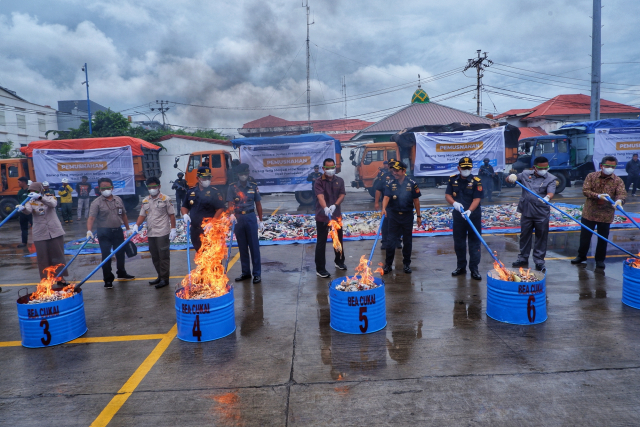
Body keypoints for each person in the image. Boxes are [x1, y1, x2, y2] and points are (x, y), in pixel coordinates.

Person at [572, 155, 626, 269]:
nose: (610, 168)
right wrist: (598, 196)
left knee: (603, 238)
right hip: (590, 212)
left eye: (612, 166)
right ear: (601, 166)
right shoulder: (591, 176)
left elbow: (621, 193)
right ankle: (581, 256)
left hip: (606, 214)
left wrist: (620, 201)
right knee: (585, 237)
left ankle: (600, 260)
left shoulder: (618, 180)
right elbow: (586, 190)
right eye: (607, 165)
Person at [507, 156, 557, 272]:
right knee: (524, 236)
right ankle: (523, 258)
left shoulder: (551, 178)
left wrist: (547, 198)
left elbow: (551, 192)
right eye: (541, 168)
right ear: (535, 167)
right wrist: (511, 177)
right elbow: (510, 180)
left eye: (546, 167)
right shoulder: (525, 174)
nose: (544, 170)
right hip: (527, 211)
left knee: (541, 237)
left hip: (541, 213)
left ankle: (539, 261)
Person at [87, 178, 135, 289]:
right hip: (104, 233)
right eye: (103, 188)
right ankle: (108, 280)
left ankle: (122, 273)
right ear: (99, 189)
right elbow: (91, 218)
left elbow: (123, 215)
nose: (106, 190)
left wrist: (128, 229)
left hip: (117, 230)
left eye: (108, 187)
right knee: (106, 256)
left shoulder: (118, 199)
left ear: (112, 188)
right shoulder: (96, 203)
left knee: (120, 253)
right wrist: (89, 230)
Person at [17, 182, 68, 284]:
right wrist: (22, 209)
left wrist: (40, 198)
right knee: (43, 257)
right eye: (30, 191)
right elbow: (28, 211)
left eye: (34, 191)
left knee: (58, 255)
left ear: (40, 191)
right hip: (40, 233)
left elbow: (53, 204)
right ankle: (46, 280)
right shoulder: (30, 201)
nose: (32, 193)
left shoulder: (50, 197)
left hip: (55, 231)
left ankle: (60, 278)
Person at [133, 177, 176, 289]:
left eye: (154, 187)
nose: (152, 189)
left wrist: (173, 229)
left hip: (162, 232)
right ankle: (160, 276)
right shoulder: (145, 200)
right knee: (155, 257)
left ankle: (164, 279)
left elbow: (172, 215)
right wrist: (136, 225)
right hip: (151, 233)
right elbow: (142, 215)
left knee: (163, 257)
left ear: (159, 187)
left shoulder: (166, 199)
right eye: (149, 187)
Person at [445, 157, 484, 280]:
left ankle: (474, 269)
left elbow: (477, 198)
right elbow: (448, 195)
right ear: (458, 168)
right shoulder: (452, 180)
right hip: (459, 217)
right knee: (459, 243)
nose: (466, 170)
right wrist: (454, 204)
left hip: (473, 216)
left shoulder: (476, 181)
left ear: (471, 168)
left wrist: (469, 211)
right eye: (463, 168)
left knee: (474, 243)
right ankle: (461, 267)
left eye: (468, 168)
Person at [381, 160, 421, 274]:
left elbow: (416, 200)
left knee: (407, 241)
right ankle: (388, 265)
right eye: (393, 170)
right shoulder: (390, 183)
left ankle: (407, 264)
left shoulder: (412, 183)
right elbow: (386, 197)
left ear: (404, 171)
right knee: (390, 241)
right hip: (393, 216)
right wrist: (383, 208)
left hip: (407, 215)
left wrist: (419, 216)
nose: (395, 173)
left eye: (397, 171)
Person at [227, 163, 263, 284]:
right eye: (242, 174)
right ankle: (246, 272)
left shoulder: (253, 186)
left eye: (246, 174)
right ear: (238, 175)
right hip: (238, 218)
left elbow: (258, 204)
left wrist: (261, 220)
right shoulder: (232, 187)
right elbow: (230, 203)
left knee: (254, 246)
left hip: (250, 217)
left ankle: (257, 274)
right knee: (242, 247)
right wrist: (231, 214)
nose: (244, 176)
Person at [314, 158, 346, 278]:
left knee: (338, 240)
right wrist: (325, 208)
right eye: (328, 168)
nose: (331, 170)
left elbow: (342, 194)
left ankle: (339, 261)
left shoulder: (340, 180)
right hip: (323, 217)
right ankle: (320, 268)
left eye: (332, 167)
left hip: (336, 215)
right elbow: (320, 196)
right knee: (321, 243)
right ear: (323, 169)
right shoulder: (318, 182)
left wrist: (335, 205)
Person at [181, 166, 226, 252]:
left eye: (209, 178)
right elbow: (185, 206)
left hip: (210, 230)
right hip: (195, 230)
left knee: (213, 256)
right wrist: (185, 214)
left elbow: (220, 208)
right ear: (198, 178)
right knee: (200, 255)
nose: (207, 180)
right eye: (204, 178)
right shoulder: (191, 192)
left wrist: (212, 223)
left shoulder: (214, 192)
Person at [374, 161, 397, 251]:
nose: (391, 169)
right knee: (385, 223)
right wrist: (376, 203)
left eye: (393, 166)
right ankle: (384, 242)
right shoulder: (384, 176)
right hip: (386, 204)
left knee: (397, 223)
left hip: (398, 204)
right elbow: (378, 190)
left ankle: (397, 241)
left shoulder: (400, 176)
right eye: (390, 166)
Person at [17, 177, 32, 248]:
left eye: (19, 182)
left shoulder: (30, 191)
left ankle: (39, 241)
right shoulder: (20, 192)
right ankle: (24, 242)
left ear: (24, 182)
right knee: (23, 227)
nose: (18, 184)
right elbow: (19, 201)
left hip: (30, 211)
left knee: (35, 226)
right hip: (22, 212)